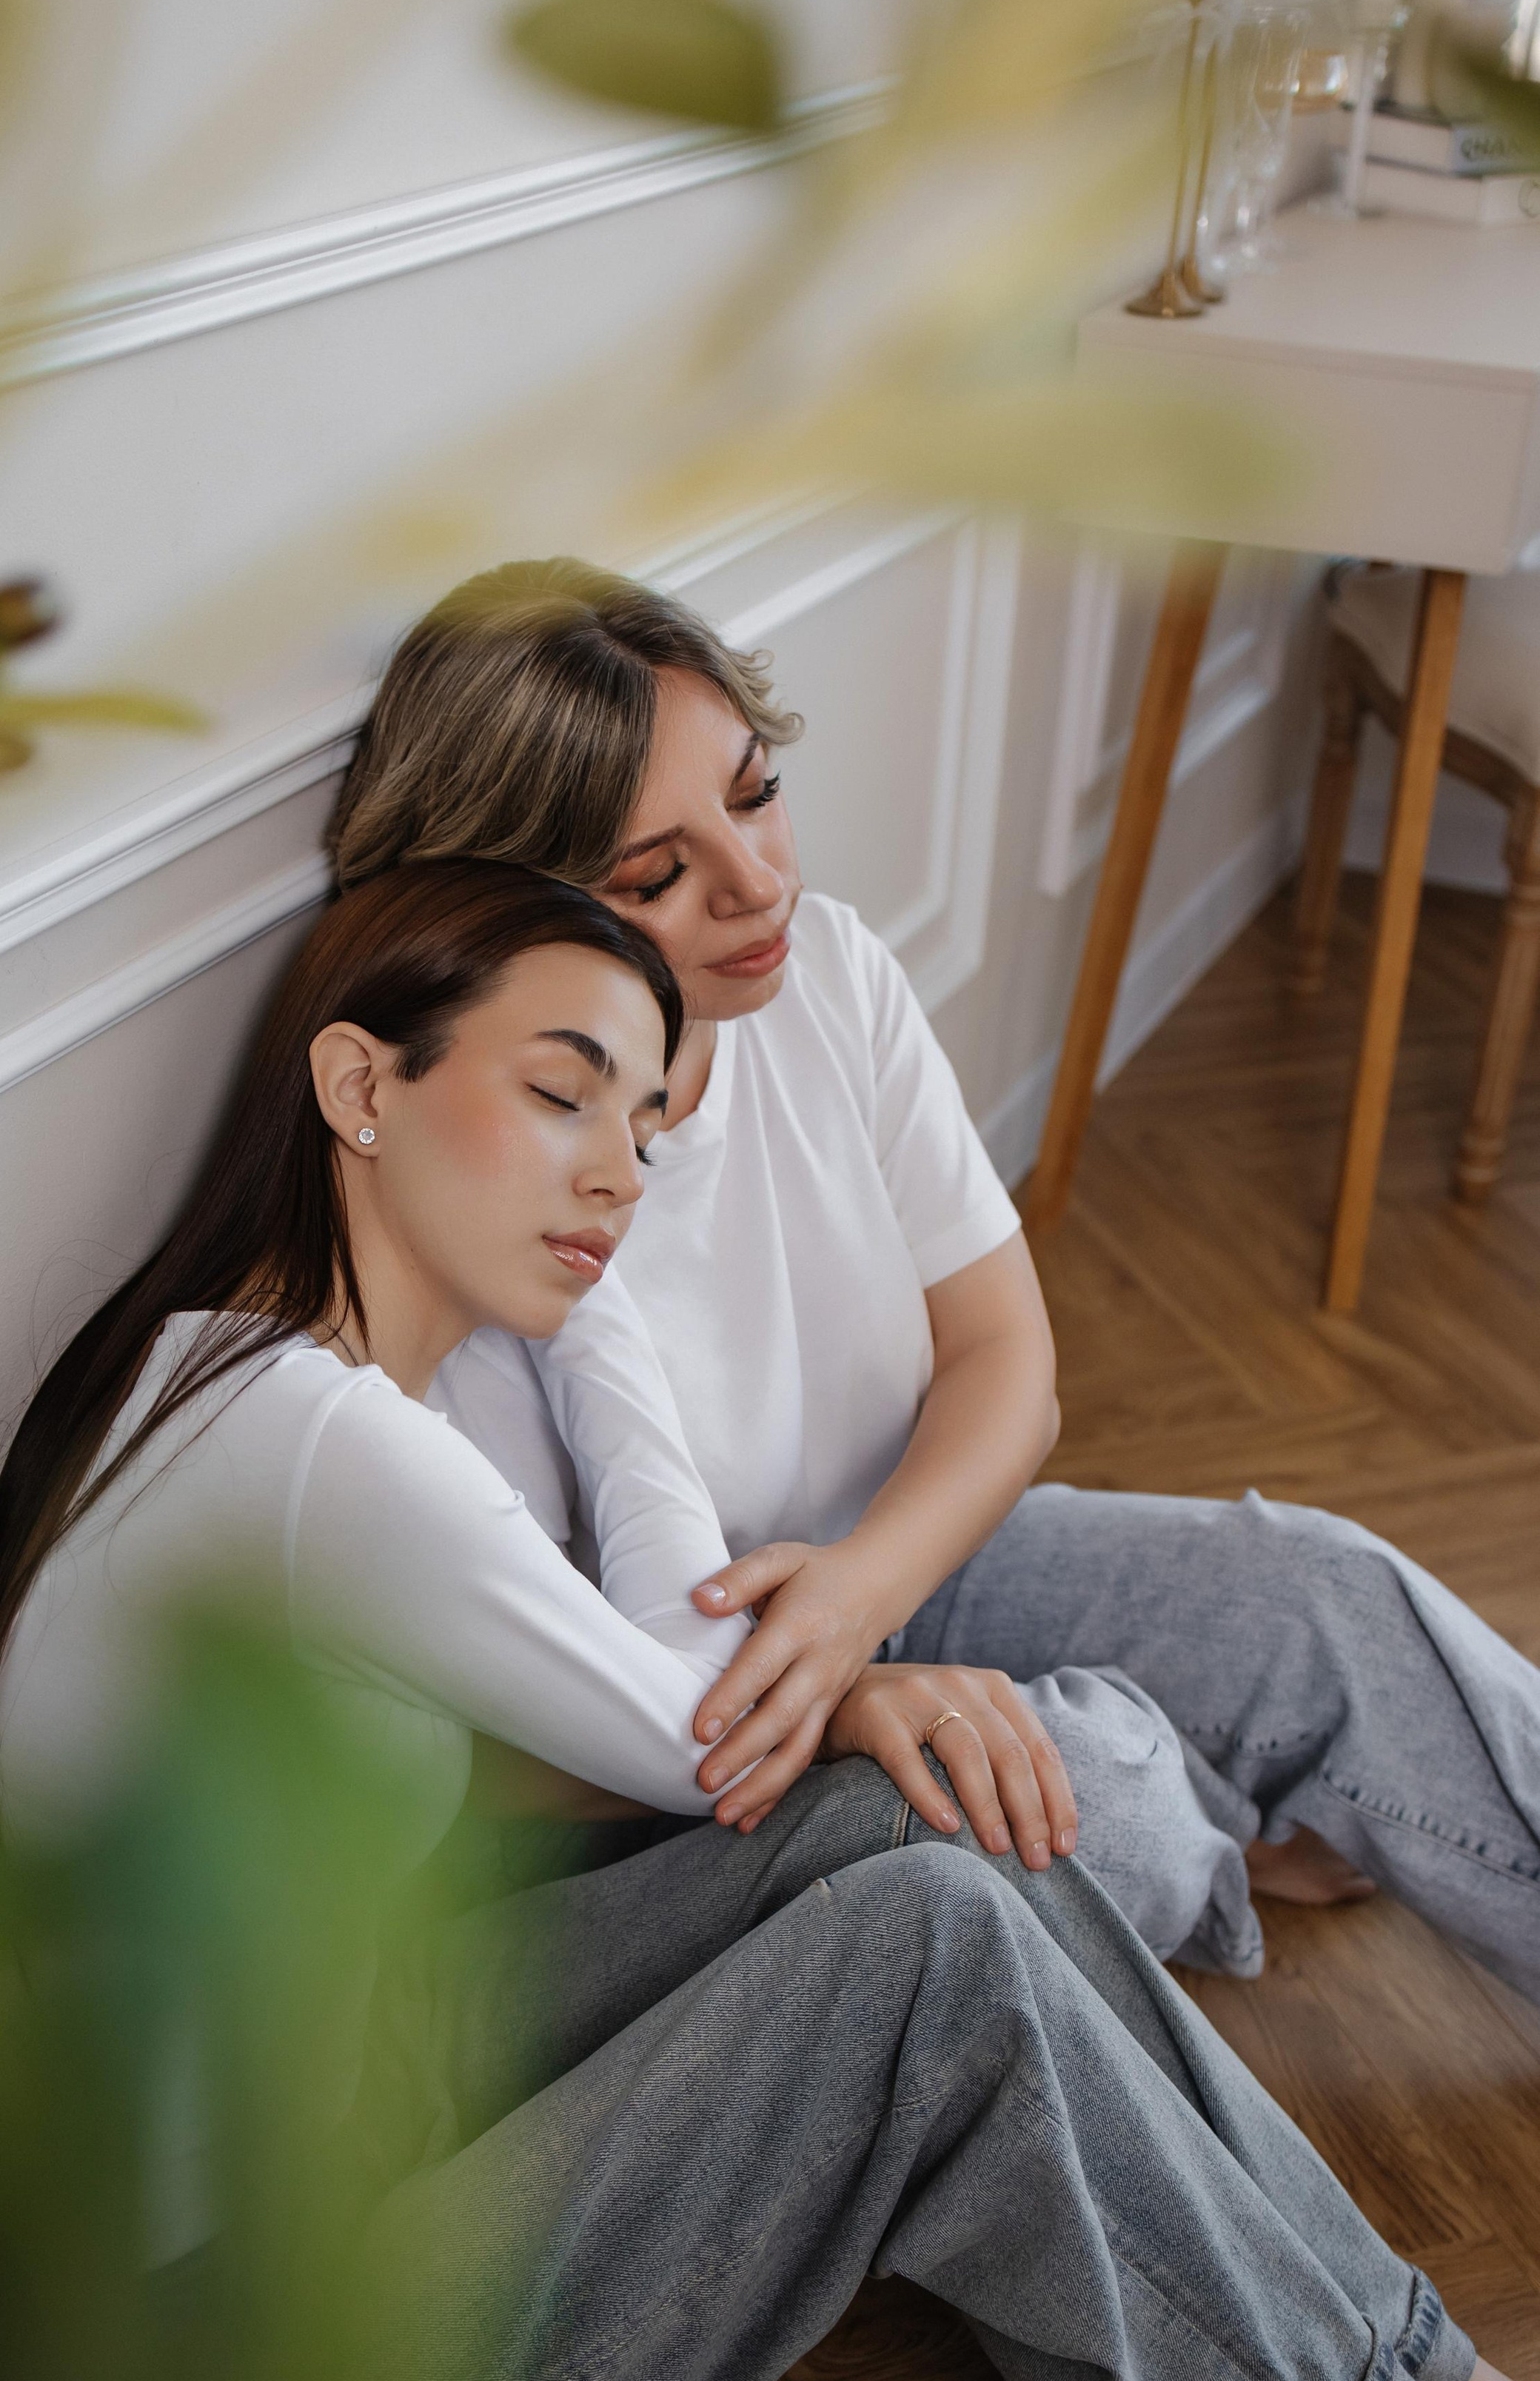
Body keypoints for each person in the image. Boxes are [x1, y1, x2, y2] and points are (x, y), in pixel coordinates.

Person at [0, 861, 1540, 2381]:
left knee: (912, 1840)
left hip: (347, 2111)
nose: (619, 1168)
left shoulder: (240, 1372)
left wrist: (575, 1291)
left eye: (640, 1114)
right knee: (919, 1938)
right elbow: (713, 1725)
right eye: (558, 1096)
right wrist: (857, 1665)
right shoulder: (318, 1446)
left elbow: (686, 1673)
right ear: (357, 1088)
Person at [328, 558, 1540, 2007]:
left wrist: (852, 1596)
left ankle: (1215, 1774)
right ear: (494, 911)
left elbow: (1002, 1364)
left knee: (1316, 1592)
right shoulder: (439, 1202)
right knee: (1117, 1812)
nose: (757, 881)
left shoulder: (823, 971)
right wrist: (831, 1694)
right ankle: (1211, 1796)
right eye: (655, 875)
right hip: (689, 1769)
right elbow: (474, 1758)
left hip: (905, 1567)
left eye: (756, 791)